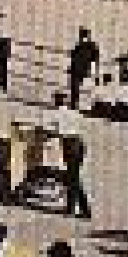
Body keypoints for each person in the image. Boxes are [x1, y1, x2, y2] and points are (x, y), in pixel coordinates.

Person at [41, 91, 91, 219]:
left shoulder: (57, 114)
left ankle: (72, 209)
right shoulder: (74, 113)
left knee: (72, 177)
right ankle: (82, 209)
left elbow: (54, 131)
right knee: (74, 176)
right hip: (79, 144)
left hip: (69, 144)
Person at [66, 28, 100, 110]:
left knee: (76, 87)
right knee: (76, 87)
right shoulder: (89, 46)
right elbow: (95, 60)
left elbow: (74, 57)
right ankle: (76, 103)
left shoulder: (83, 46)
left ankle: (75, 103)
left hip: (80, 69)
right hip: (81, 69)